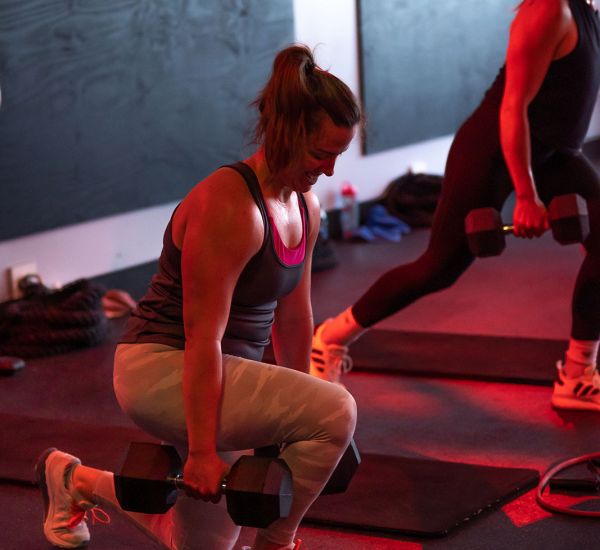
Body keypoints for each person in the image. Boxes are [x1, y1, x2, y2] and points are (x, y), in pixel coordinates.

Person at [36, 44, 360, 550]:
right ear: (285, 134)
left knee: (204, 545)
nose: (331, 169)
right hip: (163, 367)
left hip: (225, 373)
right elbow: (200, 336)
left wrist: (288, 423)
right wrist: (203, 451)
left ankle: (72, 481)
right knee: (337, 410)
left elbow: (296, 319)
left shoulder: (306, 207)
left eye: (338, 155)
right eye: (322, 154)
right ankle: (277, 544)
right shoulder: (229, 207)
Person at [311, 0, 600, 412]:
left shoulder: (586, 7)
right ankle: (330, 339)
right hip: (492, 152)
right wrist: (524, 194)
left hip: (554, 153)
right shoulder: (549, 10)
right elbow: (512, 106)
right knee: (438, 268)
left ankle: (576, 375)